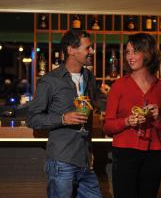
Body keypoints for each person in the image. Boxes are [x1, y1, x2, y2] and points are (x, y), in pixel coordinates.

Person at [26, 30, 106, 198]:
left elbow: (101, 101)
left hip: (85, 160)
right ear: (71, 50)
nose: (91, 51)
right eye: (88, 48)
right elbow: (33, 118)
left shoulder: (89, 77)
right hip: (62, 161)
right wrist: (63, 118)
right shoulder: (50, 81)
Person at [103, 33, 161, 198]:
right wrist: (127, 121)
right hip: (125, 153)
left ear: (148, 53)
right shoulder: (119, 86)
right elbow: (107, 127)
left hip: (153, 154)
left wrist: (158, 118)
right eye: (127, 52)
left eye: (135, 51)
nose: (130, 57)